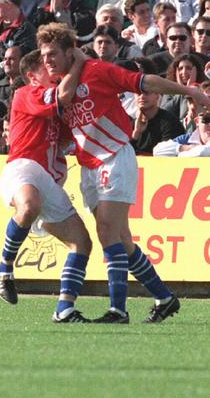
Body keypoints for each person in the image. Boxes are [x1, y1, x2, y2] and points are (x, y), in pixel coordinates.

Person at [39, 22, 210, 323]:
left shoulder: (96, 71)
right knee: (122, 240)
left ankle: (118, 310)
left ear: (70, 52)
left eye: (53, 54)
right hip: (89, 167)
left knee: (107, 232)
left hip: (115, 156)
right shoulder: (57, 88)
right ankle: (165, 297)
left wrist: (187, 91)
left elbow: (145, 82)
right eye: (44, 55)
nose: (47, 60)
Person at [0, 48, 93, 323]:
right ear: (31, 76)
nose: (51, 70)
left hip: (49, 180)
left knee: (82, 243)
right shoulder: (26, 94)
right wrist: (80, 62)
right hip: (22, 167)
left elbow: (66, 135)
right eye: (44, 67)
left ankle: (65, 309)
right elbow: (62, 95)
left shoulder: (55, 108)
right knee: (29, 205)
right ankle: (4, 267)